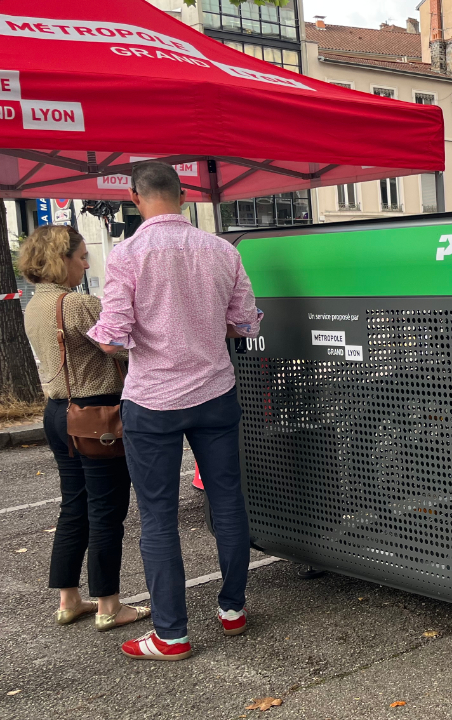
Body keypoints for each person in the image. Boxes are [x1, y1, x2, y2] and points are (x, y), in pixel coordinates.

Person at [88, 161, 262, 662]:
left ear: (135, 198)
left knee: (158, 516)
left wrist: (106, 338)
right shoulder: (222, 250)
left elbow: (112, 337)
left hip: (153, 401)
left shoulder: (127, 254)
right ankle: (233, 609)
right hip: (215, 392)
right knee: (227, 501)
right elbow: (246, 324)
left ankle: (172, 634)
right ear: (183, 195)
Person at [18, 225, 150, 632]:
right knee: (107, 510)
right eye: (81, 257)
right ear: (61, 259)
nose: (86, 265)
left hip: (58, 412)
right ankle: (109, 605)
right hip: (95, 415)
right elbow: (122, 347)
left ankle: (69, 599)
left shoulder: (35, 304)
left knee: (73, 505)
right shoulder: (78, 304)